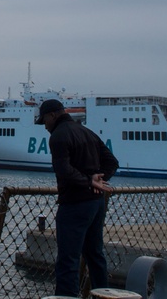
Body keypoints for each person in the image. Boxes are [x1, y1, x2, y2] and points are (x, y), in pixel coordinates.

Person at [36, 98, 119, 296]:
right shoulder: (87, 132)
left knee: (68, 260)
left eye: (44, 120)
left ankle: (67, 297)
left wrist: (89, 181)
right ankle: (103, 296)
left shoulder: (58, 136)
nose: (44, 126)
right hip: (96, 204)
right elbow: (112, 162)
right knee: (95, 256)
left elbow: (63, 171)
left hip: (73, 204)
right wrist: (100, 180)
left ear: (52, 115)